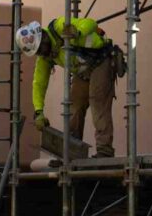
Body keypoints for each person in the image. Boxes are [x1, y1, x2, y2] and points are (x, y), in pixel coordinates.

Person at [16, 16, 118, 158]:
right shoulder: (45, 57)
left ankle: (104, 151)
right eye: (38, 51)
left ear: (43, 36)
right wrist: (39, 112)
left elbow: (91, 23)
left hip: (101, 59)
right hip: (83, 70)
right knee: (74, 107)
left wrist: (78, 31)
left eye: (41, 47)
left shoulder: (59, 26)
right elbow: (39, 83)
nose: (42, 52)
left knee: (97, 101)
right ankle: (72, 151)